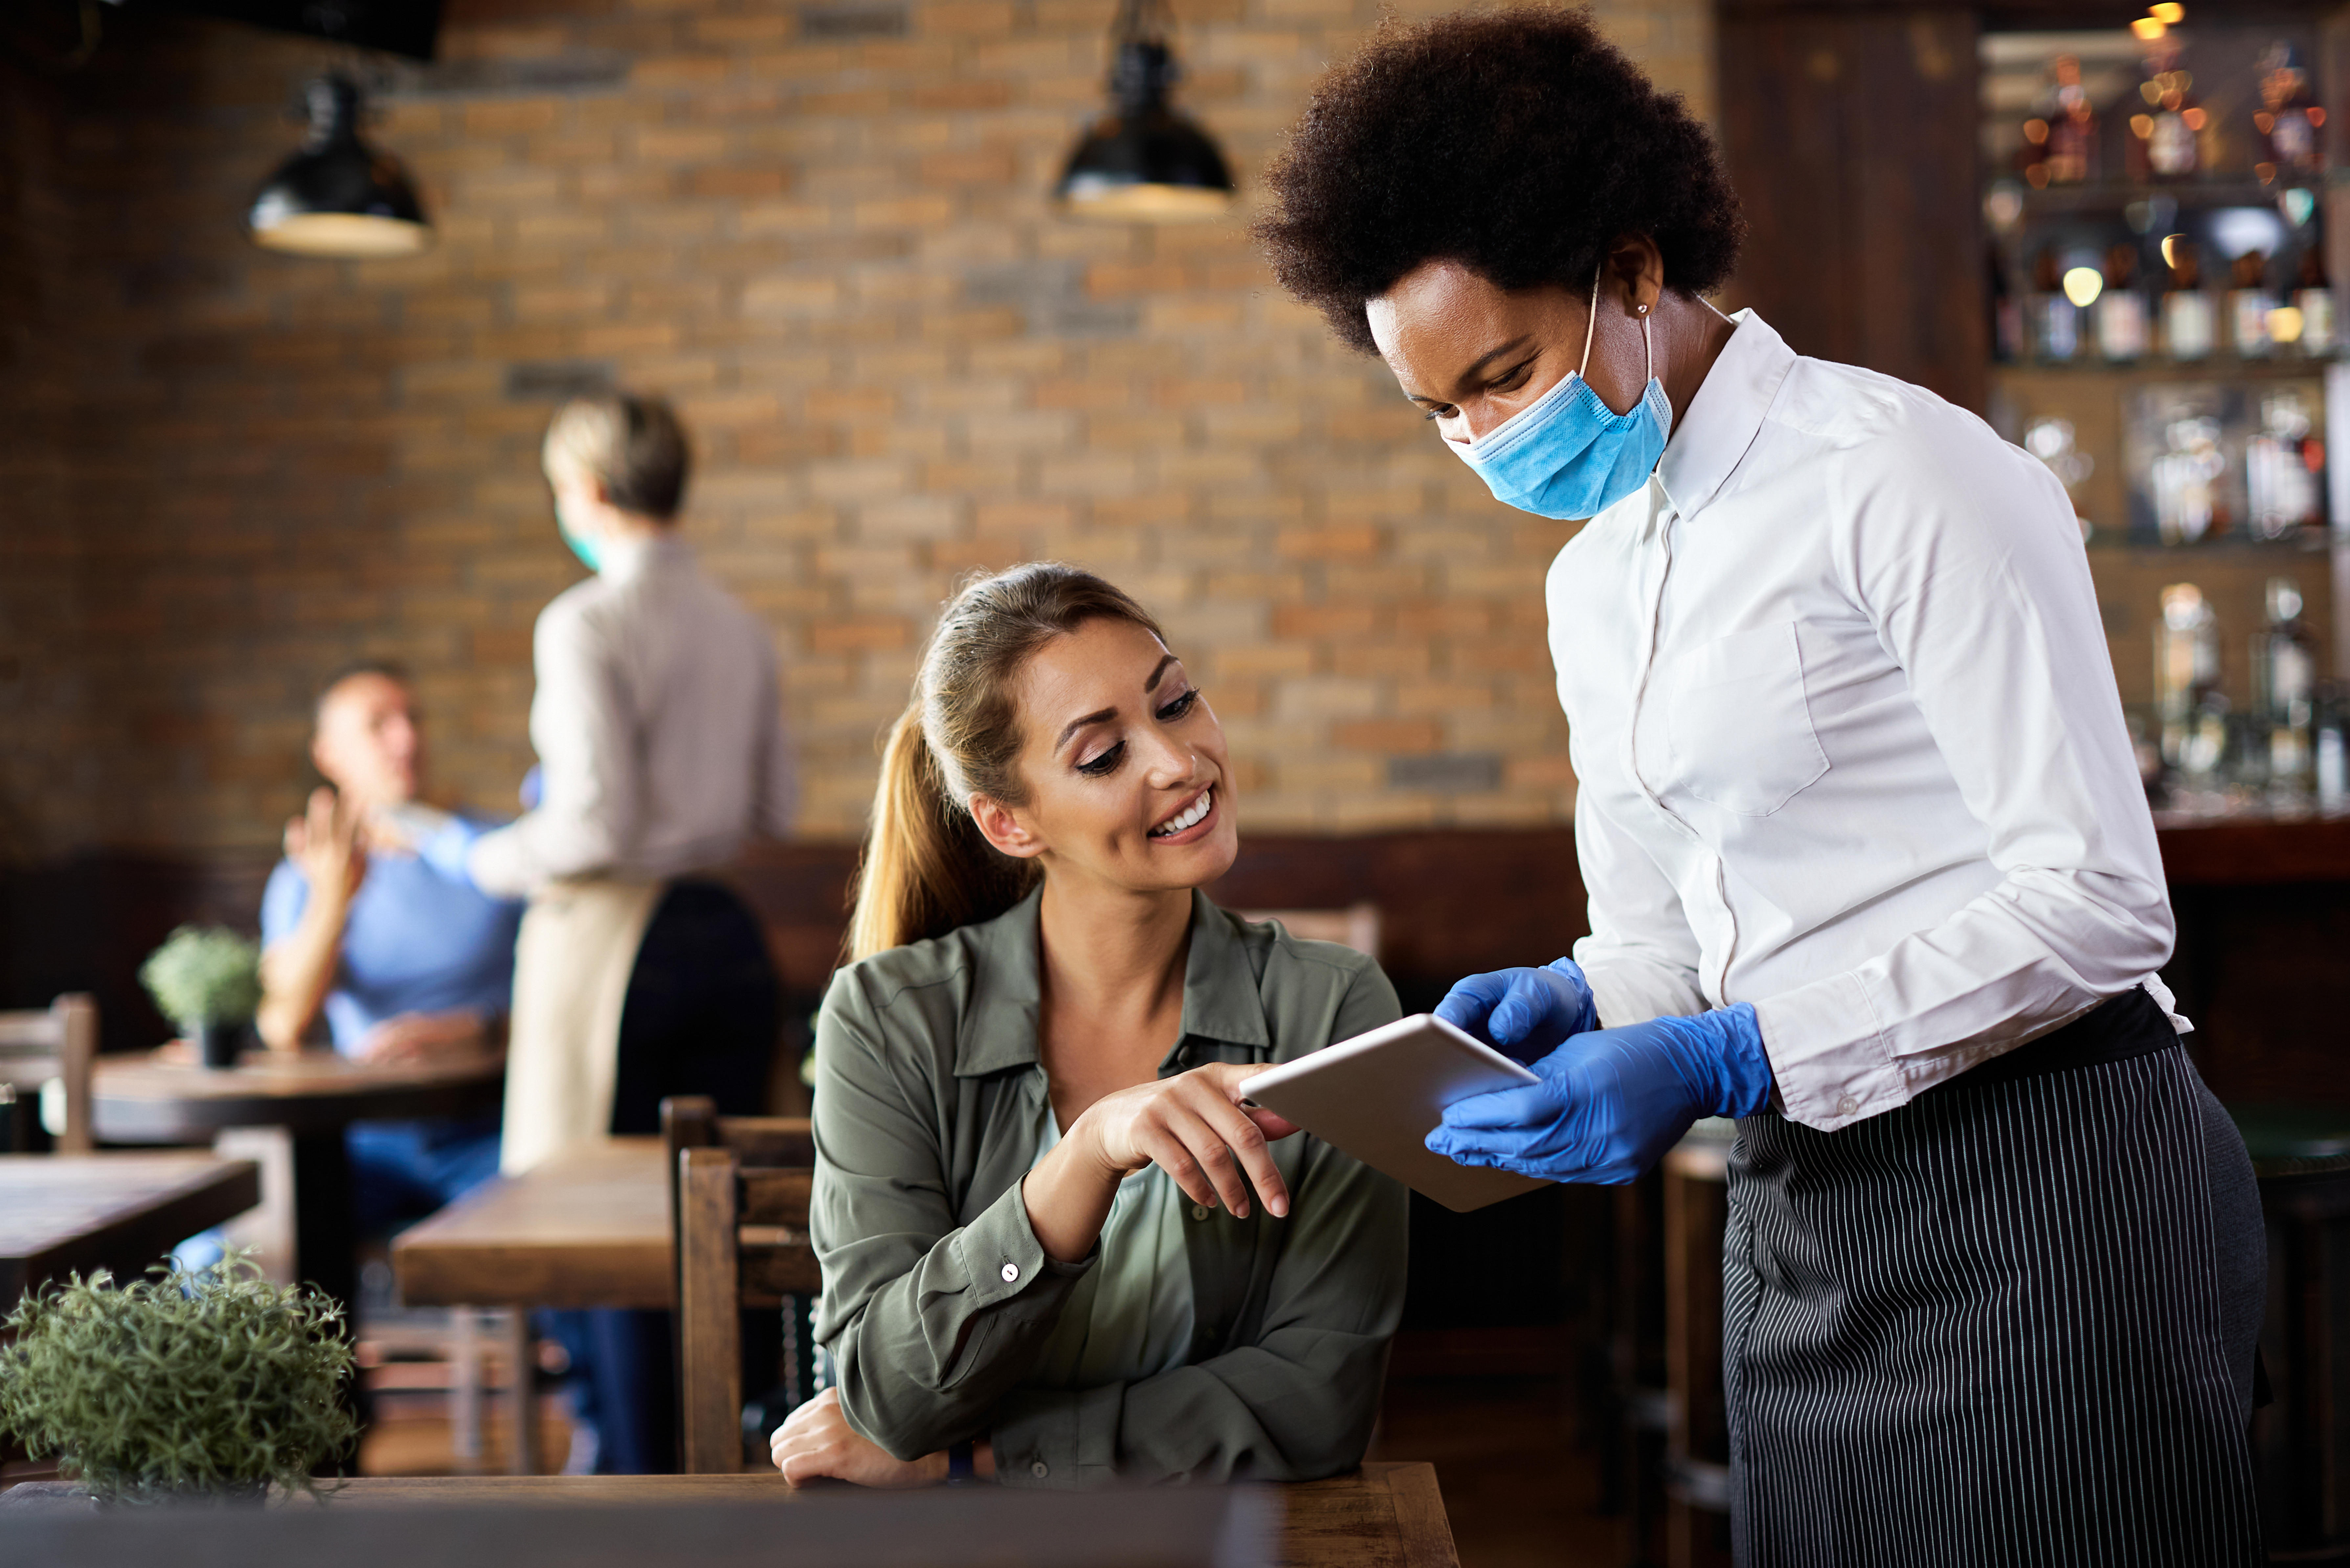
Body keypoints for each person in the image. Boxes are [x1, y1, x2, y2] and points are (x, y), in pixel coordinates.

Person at [1256, 12, 2262, 1566]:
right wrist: (1592, 996)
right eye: (1440, 409)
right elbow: (1672, 928)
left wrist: (1729, 1051)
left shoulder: (1907, 474)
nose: (1481, 438)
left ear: (1638, 271)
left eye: (1506, 373)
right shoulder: (1593, 588)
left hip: (2052, 1185)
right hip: (1800, 1210)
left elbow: (2100, 904)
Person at [767, 563, 1407, 1489]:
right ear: (1008, 822)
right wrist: (1085, 1155)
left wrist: (978, 1460)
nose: (1179, 762)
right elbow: (887, 1394)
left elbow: (1317, 1404)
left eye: (1178, 703)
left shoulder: (1334, 1010)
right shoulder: (883, 1018)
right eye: (1103, 756)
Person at [415, 390, 797, 1474]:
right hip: (726, 927)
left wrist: (471, 854)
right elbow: (774, 807)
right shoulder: (740, 624)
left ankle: (637, 1482)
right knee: (710, 1215)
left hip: (616, 941)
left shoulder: (582, 619)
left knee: (609, 1218)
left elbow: (591, 822)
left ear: (583, 491)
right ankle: (727, 1459)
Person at [257, 664, 521, 1232]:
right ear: (329, 755)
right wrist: (333, 898)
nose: (407, 738)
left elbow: (575, 1007)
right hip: (362, 1145)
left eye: (413, 720)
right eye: (379, 725)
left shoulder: (497, 856)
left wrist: (479, 1028)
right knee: (231, 1255)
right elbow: (283, 1025)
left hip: (493, 1133)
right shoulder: (302, 879)